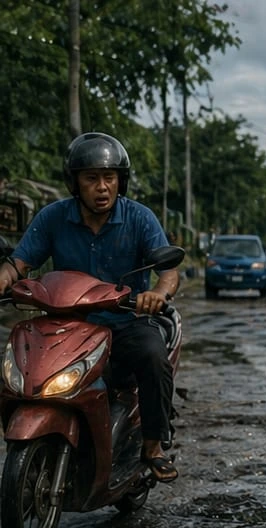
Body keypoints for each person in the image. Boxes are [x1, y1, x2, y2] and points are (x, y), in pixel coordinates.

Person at [0, 133, 181, 481]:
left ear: (120, 181)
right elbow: (19, 263)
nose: (102, 187)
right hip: (67, 324)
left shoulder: (140, 218)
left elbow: (168, 272)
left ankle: (154, 445)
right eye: (91, 178)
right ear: (75, 183)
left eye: (109, 178)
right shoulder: (53, 218)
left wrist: (158, 293)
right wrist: (5, 276)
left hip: (125, 322)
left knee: (153, 356)